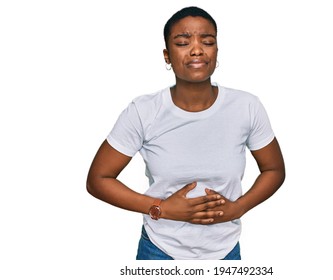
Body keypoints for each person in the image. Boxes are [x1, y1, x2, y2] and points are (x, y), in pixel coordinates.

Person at [86, 6, 285, 260]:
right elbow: (98, 179)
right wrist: (162, 208)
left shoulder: (246, 107)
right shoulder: (144, 111)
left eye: (208, 41)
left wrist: (239, 208)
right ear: (167, 56)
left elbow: (274, 170)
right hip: (159, 251)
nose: (196, 49)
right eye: (182, 42)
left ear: (216, 51)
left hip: (225, 252)